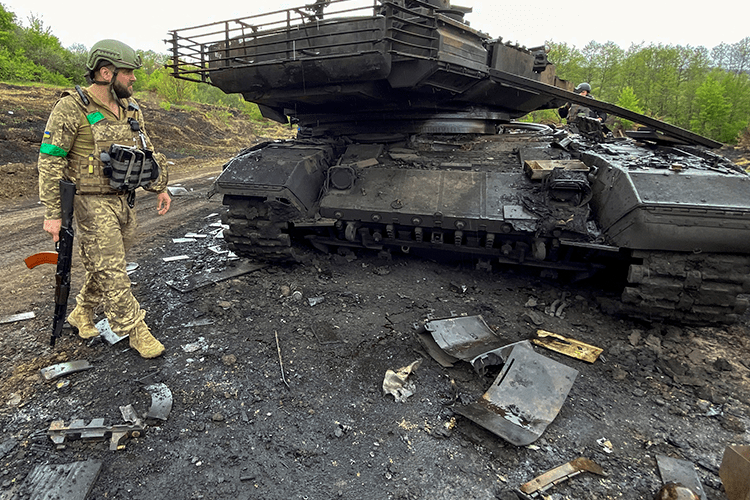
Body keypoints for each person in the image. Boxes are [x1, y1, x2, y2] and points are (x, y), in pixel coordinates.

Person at [37, 39, 171, 358]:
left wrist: (159, 187)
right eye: (128, 73)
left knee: (107, 263)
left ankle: (82, 312)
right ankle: (134, 328)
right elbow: (51, 159)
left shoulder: (131, 108)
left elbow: (145, 153)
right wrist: (53, 213)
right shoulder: (71, 107)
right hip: (89, 201)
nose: (134, 79)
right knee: (112, 269)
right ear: (106, 72)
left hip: (124, 199)